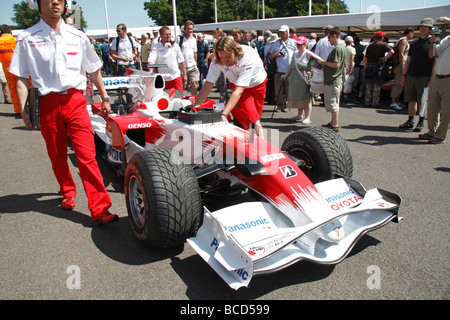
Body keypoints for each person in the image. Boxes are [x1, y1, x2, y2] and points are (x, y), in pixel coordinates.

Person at [9, 0, 118, 226]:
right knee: (57, 154)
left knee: (86, 156)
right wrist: (22, 109)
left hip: (76, 102)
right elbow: (20, 76)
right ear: (39, 4)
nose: (55, 2)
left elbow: (94, 70)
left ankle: (100, 208)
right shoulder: (26, 38)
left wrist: (105, 97)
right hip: (47, 103)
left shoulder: (77, 36)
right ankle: (67, 190)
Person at [194, 36, 267, 137]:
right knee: (254, 118)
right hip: (238, 85)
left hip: (257, 84)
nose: (224, 61)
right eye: (221, 57)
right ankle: (260, 143)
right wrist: (196, 106)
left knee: (256, 117)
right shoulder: (217, 60)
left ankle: (256, 141)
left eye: (227, 57)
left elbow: (238, 91)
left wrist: (224, 113)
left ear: (235, 51)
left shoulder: (246, 58)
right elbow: (208, 85)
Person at [399, 18, 435, 132]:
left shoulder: (433, 43)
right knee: (411, 99)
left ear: (430, 29)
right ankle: (410, 120)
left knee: (422, 100)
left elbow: (435, 61)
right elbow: (408, 60)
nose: (422, 29)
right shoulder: (414, 43)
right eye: (421, 27)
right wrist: (404, 75)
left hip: (424, 76)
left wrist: (431, 78)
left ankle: (421, 122)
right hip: (411, 75)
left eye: (425, 27)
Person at [419, 16, 450, 144]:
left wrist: (448, 21)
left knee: (446, 109)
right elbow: (433, 54)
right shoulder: (447, 40)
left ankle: (440, 135)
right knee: (432, 107)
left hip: (448, 78)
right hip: (438, 77)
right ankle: (432, 130)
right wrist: (433, 42)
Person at [281, 36, 321, 124]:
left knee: (306, 98)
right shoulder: (295, 53)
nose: (299, 46)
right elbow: (291, 67)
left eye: (301, 44)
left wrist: (311, 71)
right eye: (298, 44)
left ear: (305, 44)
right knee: (299, 97)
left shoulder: (308, 53)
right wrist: (285, 75)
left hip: (304, 79)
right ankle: (299, 115)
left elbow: (319, 62)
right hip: (295, 79)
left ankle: (307, 117)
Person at [316, 27, 347, 132]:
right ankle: (333, 122)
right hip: (335, 79)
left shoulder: (338, 48)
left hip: (333, 79)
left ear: (334, 35)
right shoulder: (341, 47)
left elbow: (336, 64)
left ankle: (334, 123)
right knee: (334, 102)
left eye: (329, 37)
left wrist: (323, 62)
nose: (328, 40)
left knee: (333, 102)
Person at [148, 26, 186, 93]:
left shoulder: (175, 46)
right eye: (166, 34)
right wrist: (151, 74)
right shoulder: (156, 47)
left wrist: (184, 74)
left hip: (176, 77)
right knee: (165, 100)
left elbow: (181, 61)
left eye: (169, 34)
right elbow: (151, 61)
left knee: (179, 98)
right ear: (161, 35)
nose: (168, 36)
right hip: (163, 79)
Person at [269, 25, 297, 112]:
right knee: (278, 89)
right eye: (280, 32)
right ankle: (280, 105)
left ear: (287, 33)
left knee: (289, 89)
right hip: (278, 70)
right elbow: (270, 55)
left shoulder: (293, 42)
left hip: (290, 70)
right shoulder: (277, 43)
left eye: (283, 32)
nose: (281, 34)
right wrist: (275, 55)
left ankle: (289, 104)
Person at [363, 31, 394, 107]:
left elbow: (365, 58)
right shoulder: (383, 45)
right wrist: (385, 58)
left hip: (369, 66)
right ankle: (375, 102)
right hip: (377, 66)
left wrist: (365, 66)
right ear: (382, 38)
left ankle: (367, 101)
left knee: (368, 85)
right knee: (376, 85)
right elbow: (392, 51)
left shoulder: (370, 46)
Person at [390, 28, 414, 110]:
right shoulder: (403, 41)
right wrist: (402, 66)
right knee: (398, 82)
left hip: (402, 64)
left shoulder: (403, 41)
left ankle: (396, 100)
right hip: (401, 64)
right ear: (410, 33)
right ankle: (393, 101)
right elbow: (401, 53)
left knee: (401, 83)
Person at [0, 25, 20, 115]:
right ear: (11, 32)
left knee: (12, 88)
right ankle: (26, 106)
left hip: (6, 66)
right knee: (23, 86)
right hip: (18, 65)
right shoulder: (15, 40)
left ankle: (18, 110)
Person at [177, 20, 199, 96]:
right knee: (183, 85)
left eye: (191, 29)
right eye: (188, 28)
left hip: (192, 65)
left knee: (194, 84)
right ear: (185, 29)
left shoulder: (193, 39)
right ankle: (181, 101)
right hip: (182, 66)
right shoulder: (179, 39)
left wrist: (196, 63)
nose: (189, 30)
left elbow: (195, 52)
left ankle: (195, 100)